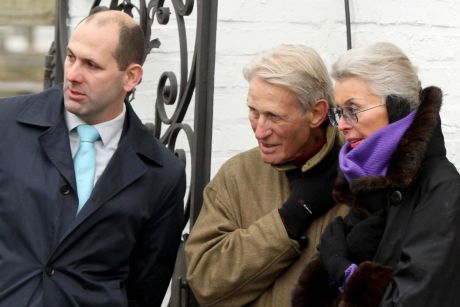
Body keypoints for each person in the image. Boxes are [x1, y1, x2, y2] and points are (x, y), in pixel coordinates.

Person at [0, 9, 185, 307]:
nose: (72, 75)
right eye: (72, 57)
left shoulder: (163, 173)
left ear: (131, 77)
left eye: (91, 65)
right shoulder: (5, 123)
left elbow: (146, 287)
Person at [292, 42, 460, 307]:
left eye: (353, 109)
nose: (343, 126)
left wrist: (344, 271)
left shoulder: (442, 190)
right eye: (339, 113)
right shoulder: (367, 185)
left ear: (397, 108)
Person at [184, 44, 348, 306]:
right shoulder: (236, 176)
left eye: (274, 116)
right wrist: (290, 218)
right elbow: (205, 279)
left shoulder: (360, 173)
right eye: (253, 112)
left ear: (316, 113)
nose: (259, 131)